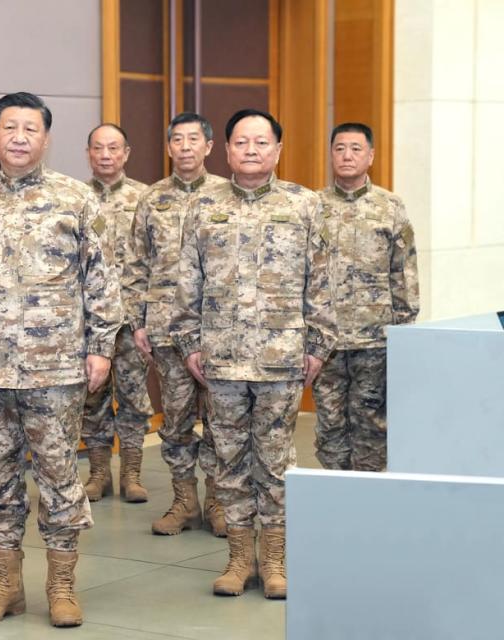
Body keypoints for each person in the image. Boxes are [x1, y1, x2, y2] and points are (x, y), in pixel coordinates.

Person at [0, 92, 121, 627]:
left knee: (59, 475)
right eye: (9, 127)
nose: (19, 137)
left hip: (56, 367)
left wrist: (100, 348)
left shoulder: (75, 199)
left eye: (30, 128)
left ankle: (61, 586)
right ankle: (4, 584)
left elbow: (101, 281)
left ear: (46, 138)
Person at [171, 109, 336, 599]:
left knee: (277, 459)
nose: (251, 150)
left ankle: (276, 560)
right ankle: (239, 558)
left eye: (261, 143)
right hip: (219, 359)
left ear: (278, 151)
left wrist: (319, 346)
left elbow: (321, 283)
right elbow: (186, 283)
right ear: (226, 150)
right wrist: (187, 343)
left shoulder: (305, 206)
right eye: (241, 142)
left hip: (283, 357)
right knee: (228, 458)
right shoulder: (202, 206)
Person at [123, 112, 229, 536]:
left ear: (209, 146)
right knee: (178, 419)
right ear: (168, 148)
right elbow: (135, 263)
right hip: (166, 328)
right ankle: (184, 500)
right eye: (177, 140)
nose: (185, 147)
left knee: (224, 420)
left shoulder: (228, 195)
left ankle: (220, 500)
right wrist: (138, 320)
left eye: (193, 140)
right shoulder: (152, 199)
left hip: (220, 329)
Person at [313, 122, 419, 471]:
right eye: (340, 147)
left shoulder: (390, 207)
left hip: (375, 339)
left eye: (356, 148)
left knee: (371, 423)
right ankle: (335, 496)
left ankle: (369, 498)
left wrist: (404, 331)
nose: (347, 155)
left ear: (370, 155)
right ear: (331, 154)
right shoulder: (313, 206)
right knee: (329, 423)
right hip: (326, 341)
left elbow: (403, 272)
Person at [80, 123, 153, 503]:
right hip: (86, 320)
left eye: (113, 148)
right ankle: (97, 473)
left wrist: (146, 316)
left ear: (126, 153)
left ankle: (132, 473)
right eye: (98, 148)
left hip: (130, 320)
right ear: (88, 153)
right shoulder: (74, 197)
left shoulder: (145, 198)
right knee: (91, 397)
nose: (105, 155)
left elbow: (154, 260)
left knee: (133, 396)